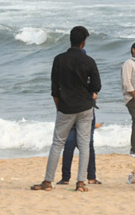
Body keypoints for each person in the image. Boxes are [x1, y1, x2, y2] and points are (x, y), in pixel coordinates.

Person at [31, 25, 102, 192]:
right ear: (83, 43)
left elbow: (55, 89)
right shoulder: (89, 61)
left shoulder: (59, 59)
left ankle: (48, 181)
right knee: (84, 144)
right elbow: (97, 86)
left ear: (70, 40)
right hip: (85, 107)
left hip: (65, 107)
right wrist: (88, 91)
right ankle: (81, 183)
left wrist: (59, 107)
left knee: (57, 143)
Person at [59, 110, 100, 184]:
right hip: (86, 109)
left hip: (69, 110)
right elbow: (94, 97)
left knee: (68, 146)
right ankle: (91, 177)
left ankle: (65, 178)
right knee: (88, 145)